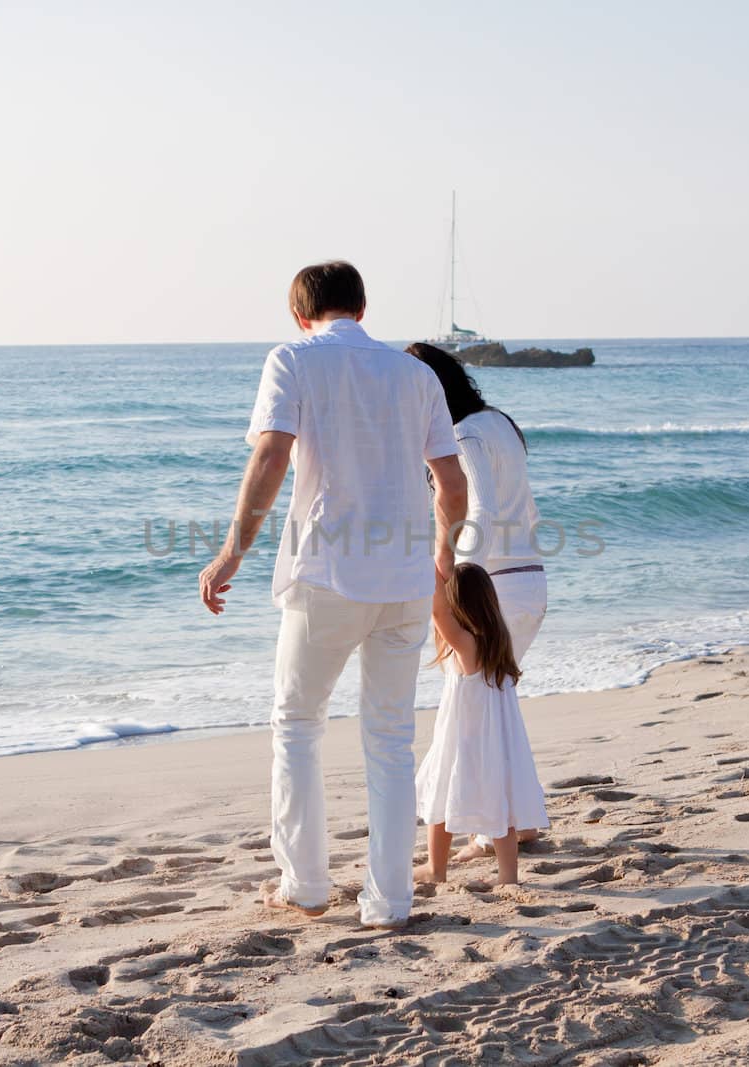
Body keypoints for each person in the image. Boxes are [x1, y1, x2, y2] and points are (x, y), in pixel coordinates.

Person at [199, 261, 468, 930]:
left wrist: (234, 549)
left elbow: (269, 458)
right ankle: (391, 901)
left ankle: (307, 884)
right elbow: (452, 481)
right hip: (405, 580)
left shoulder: (293, 359)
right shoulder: (417, 375)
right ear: (363, 306)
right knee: (390, 738)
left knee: (297, 724)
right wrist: (443, 549)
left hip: (327, 575)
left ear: (300, 315)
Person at [406, 342, 548, 861]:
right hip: (529, 579)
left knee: (468, 715)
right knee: (493, 709)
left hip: (494, 586)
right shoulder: (499, 422)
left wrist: (454, 571)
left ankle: (491, 829)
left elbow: (482, 509)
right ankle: (513, 823)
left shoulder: (463, 434)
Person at [413, 563, 549, 887]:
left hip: (462, 740)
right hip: (497, 743)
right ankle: (508, 876)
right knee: (501, 808)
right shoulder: (499, 642)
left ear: (458, 605)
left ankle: (436, 868)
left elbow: (437, 611)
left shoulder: (465, 645)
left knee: (440, 794)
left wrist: (423, 552)